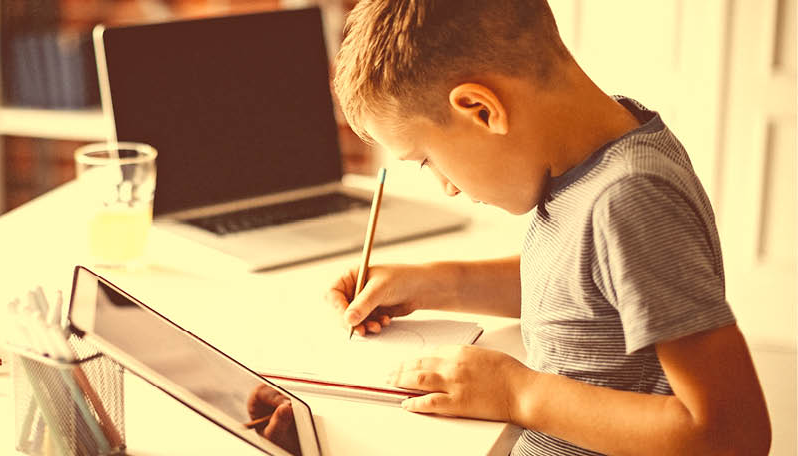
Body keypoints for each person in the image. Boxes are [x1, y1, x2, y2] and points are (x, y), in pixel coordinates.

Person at [325, 1, 772, 454]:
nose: (447, 188)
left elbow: (731, 434)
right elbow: (584, 291)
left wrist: (517, 394)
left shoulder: (631, 198)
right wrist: (434, 282)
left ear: (480, 109)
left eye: (426, 160)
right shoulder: (590, 159)